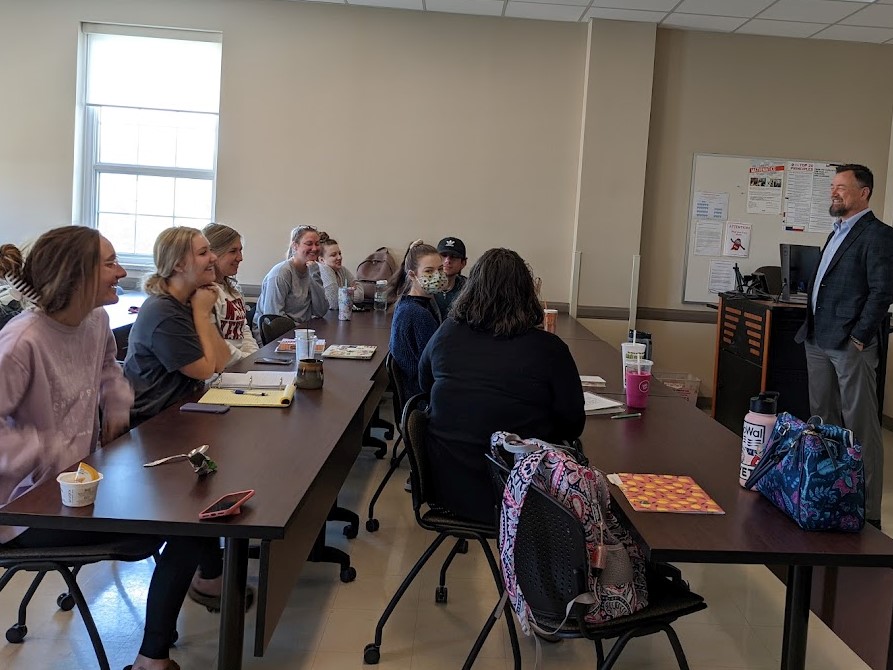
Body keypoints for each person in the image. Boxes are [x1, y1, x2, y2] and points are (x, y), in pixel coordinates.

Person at [0, 227, 221, 670]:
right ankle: (152, 659)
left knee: (190, 504)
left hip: (80, 484)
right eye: (110, 263)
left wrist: (117, 408)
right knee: (185, 522)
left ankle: (172, 628)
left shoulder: (96, 321)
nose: (122, 272)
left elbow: (108, 372)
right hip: (24, 509)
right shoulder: (23, 341)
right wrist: (47, 445)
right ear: (75, 274)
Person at [419, 247, 585, 524]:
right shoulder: (549, 349)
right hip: (522, 497)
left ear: (470, 290)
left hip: (447, 488)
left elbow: (424, 387)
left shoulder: (446, 333)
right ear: (527, 293)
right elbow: (572, 425)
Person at [794, 164, 893, 529]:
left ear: (864, 193)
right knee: (823, 422)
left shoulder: (879, 235)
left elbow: (883, 291)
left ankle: (867, 513)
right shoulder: (836, 231)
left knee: (860, 428)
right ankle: (830, 498)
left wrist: (860, 337)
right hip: (818, 338)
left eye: (841, 187)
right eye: (832, 186)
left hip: (851, 344)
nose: (833, 192)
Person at [124, 227, 232, 426]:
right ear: (178, 265)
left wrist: (204, 313)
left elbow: (222, 361)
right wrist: (202, 314)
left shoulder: (194, 299)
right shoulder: (164, 312)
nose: (213, 257)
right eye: (203, 253)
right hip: (153, 423)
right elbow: (205, 371)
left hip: (183, 410)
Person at [388, 241, 445, 398]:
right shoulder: (418, 314)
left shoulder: (406, 303)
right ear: (412, 275)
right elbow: (435, 367)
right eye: (429, 271)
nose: (437, 276)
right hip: (423, 396)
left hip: (417, 390)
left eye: (440, 269)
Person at [202, 223, 259, 366]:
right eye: (233, 251)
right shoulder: (205, 293)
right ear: (213, 254)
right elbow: (215, 342)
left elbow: (243, 330)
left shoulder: (233, 290)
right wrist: (244, 360)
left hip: (239, 367)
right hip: (221, 369)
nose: (240, 258)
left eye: (240, 251)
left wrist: (254, 357)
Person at [253, 225, 327, 332]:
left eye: (317, 244)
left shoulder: (312, 270)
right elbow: (274, 318)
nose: (315, 248)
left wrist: (315, 275)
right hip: (274, 335)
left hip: (300, 332)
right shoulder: (281, 273)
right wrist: (302, 330)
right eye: (309, 244)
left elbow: (320, 311)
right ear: (295, 246)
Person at [317, 232, 365, 310]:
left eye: (339, 253)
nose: (339, 257)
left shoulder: (342, 269)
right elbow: (334, 303)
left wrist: (341, 294)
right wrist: (348, 291)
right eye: (333, 255)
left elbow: (360, 295)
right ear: (321, 260)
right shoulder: (323, 270)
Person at [434, 236, 468, 317]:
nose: (447, 261)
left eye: (454, 256)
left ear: (463, 263)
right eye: (443, 255)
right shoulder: (424, 285)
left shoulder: (469, 289)